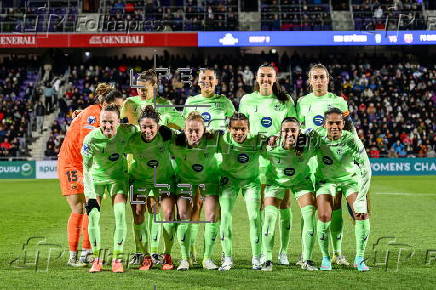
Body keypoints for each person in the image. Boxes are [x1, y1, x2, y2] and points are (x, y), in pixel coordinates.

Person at [296, 63, 371, 266]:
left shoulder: (338, 101)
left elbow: (349, 126)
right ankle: (306, 254)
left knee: (335, 210)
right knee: (312, 211)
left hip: (335, 159)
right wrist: (300, 153)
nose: (319, 81)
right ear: (309, 80)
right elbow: (300, 131)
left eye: (322, 77)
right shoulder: (302, 102)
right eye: (315, 77)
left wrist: (356, 148)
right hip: (312, 161)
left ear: (328, 79)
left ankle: (337, 253)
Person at [122, 69, 184, 264]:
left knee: (155, 208)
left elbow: (181, 124)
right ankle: (141, 252)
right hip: (136, 162)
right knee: (140, 210)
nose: (140, 91)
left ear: (154, 87)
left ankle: (156, 251)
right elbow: (120, 126)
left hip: (159, 162)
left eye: (144, 88)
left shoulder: (165, 105)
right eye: (138, 87)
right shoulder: (129, 104)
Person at [239, 64, 297, 265]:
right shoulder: (247, 100)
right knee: (262, 208)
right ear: (256, 77)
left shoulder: (285, 100)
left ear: (275, 78)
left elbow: (294, 128)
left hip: (281, 160)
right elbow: (241, 129)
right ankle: (264, 251)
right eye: (262, 75)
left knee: (284, 205)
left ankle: (284, 251)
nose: (265, 79)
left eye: (269, 76)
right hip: (257, 161)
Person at [57, 83, 120, 267]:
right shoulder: (93, 113)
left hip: (85, 165)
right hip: (72, 163)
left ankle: (86, 253)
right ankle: (73, 256)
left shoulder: (99, 113)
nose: (118, 109)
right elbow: (90, 142)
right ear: (105, 101)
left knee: (90, 207)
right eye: (116, 105)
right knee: (79, 207)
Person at [182, 68, 235, 263]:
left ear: (216, 81)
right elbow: (185, 129)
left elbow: (234, 127)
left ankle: (210, 255)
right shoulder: (191, 102)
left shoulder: (225, 103)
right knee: (194, 206)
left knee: (214, 210)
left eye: (210, 78)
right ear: (197, 82)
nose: (207, 81)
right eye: (203, 78)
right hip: (197, 160)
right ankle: (193, 250)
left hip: (218, 161)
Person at [310, 108, 370, 271]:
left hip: (349, 180)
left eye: (338, 123)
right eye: (330, 123)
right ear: (324, 124)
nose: (334, 126)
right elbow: (303, 153)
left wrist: (362, 195)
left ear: (343, 124)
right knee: (323, 215)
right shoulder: (317, 137)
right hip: (326, 181)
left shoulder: (351, 140)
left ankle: (359, 257)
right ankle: (326, 258)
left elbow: (366, 167)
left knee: (361, 213)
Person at [82, 105, 137, 273]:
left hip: (118, 178)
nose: (107, 126)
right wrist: (90, 193)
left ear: (118, 122)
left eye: (111, 122)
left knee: (120, 214)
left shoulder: (128, 132)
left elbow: (146, 131)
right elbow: (85, 166)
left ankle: (117, 259)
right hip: (96, 180)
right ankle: (97, 260)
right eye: (104, 122)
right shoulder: (91, 139)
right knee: (93, 217)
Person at [262, 117, 318, 271]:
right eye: (286, 130)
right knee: (269, 216)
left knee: (309, 214)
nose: (289, 133)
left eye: (293, 130)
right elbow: (253, 143)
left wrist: (308, 135)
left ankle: (307, 259)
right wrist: (268, 139)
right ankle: (267, 259)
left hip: (301, 182)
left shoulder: (307, 146)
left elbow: (322, 137)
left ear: (299, 132)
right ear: (280, 132)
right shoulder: (271, 147)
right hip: (276, 182)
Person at [125, 106, 176, 271]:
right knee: (138, 213)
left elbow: (189, 136)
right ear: (139, 126)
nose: (147, 130)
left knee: (168, 214)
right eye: (144, 127)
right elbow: (115, 144)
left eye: (151, 127)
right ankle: (146, 256)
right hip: (140, 179)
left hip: (164, 178)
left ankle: (167, 254)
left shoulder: (167, 136)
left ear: (158, 127)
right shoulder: (133, 140)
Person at [169, 111, 221, 271]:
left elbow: (233, 138)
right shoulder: (175, 143)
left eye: (197, 130)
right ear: (184, 130)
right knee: (184, 215)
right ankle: (184, 259)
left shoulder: (213, 141)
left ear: (204, 130)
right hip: (185, 181)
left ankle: (207, 259)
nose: (193, 134)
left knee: (212, 216)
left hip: (209, 180)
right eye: (189, 130)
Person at [218, 112, 264, 271]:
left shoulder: (257, 140)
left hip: (251, 182)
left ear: (248, 129)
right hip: (228, 181)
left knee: (254, 217)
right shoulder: (221, 140)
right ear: (229, 129)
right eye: (235, 129)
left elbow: (274, 149)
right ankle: (227, 258)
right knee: (225, 216)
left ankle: (257, 258)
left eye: (242, 129)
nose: (238, 133)